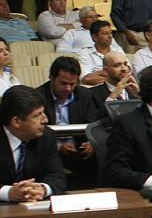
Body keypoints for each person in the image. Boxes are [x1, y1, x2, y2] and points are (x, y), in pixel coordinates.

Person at [36, 56, 97, 184]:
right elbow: (35, 134)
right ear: (52, 78)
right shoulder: (38, 96)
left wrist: (92, 143)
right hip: (51, 152)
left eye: (72, 84)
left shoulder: (85, 95)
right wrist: (57, 147)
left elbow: (94, 125)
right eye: (63, 83)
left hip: (80, 151)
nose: (68, 88)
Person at [0, 85, 65, 202]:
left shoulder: (46, 136)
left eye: (43, 112)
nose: (45, 120)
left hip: (34, 207)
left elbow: (57, 175)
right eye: (37, 115)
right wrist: (8, 193)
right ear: (16, 121)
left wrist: (43, 189)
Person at [87, 51, 140, 120]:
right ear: (106, 70)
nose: (124, 69)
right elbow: (93, 120)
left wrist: (140, 96)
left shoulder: (134, 92)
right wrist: (113, 96)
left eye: (125, 64)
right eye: (117, 65)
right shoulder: (92, 93)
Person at [76, 19, 124, 85]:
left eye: (111, 33)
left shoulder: (118, 51)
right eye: (105, 33)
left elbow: (127, 74)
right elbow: (86, 79)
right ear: (95, 37)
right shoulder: (85, 53)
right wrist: (113, 77)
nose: (110, 36)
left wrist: (97, 74)